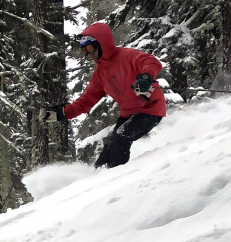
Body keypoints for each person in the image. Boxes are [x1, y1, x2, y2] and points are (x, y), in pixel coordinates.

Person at [39, 22, 166, 168]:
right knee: (108, 152)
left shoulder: (127, 56)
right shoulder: (100, 73)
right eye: (84, 50)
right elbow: (86, 100)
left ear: (102, 43)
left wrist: (145, 77)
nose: (88, 54)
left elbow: (151, 61)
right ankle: (97, 177)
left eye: (90, 48)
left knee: (120, 138)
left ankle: (117, 178)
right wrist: (62, 113)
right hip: (128, 114)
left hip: (150, 109)